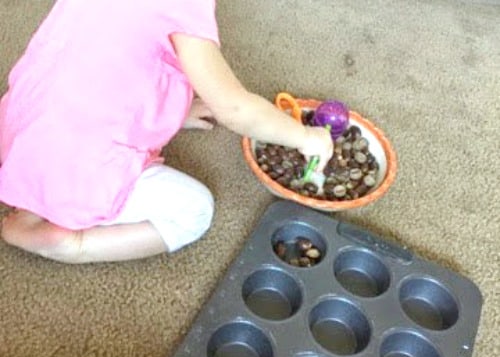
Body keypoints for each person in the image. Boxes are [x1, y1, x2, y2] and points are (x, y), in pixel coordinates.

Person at [0, 0, 333, 264]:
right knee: (193, 211)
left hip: (21, 129)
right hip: (76, 166)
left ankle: (39, 190)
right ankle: (73, 242)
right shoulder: (183, 7)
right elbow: (234, 109)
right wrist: (305, 137)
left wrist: (177, 109)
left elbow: (108, 61)